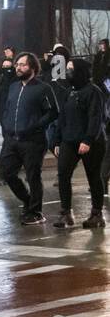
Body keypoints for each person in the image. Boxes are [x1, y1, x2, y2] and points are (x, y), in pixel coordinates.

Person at [0, 52, 60, 225]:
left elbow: (53, 111)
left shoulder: (43, 88)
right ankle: (27, 200)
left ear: (32, 68)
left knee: (33, 176)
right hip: (12, 139)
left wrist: (36, 125)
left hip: (33, 140)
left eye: (23, 65)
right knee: (7, 174)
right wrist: (6, 124)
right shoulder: (14, 87)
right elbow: (7, 108)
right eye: (17, 64)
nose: (18, 67)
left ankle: (36, 212)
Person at [51, 58, 106, 229]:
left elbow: (96, 118)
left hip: (91, 142)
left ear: (80, 71)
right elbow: (63, 118)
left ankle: (97, 214)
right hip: (69, 141)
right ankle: (66, 213)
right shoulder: (69, 92)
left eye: (71, 69)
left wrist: (88, 139)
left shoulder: (93, 91)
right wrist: (57, 141)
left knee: (94, 176)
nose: (68, 73)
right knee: (63, 174)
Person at [0, 47, 18, 186]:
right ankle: (4, 175)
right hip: (6, 119)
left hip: (15, 120)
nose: (6, 68)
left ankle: (3, 175)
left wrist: (9, 60)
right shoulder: (2, 83)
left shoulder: (13, 82)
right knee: (9, 146)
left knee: (9, 147)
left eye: (8, 67)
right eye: (4, 66)